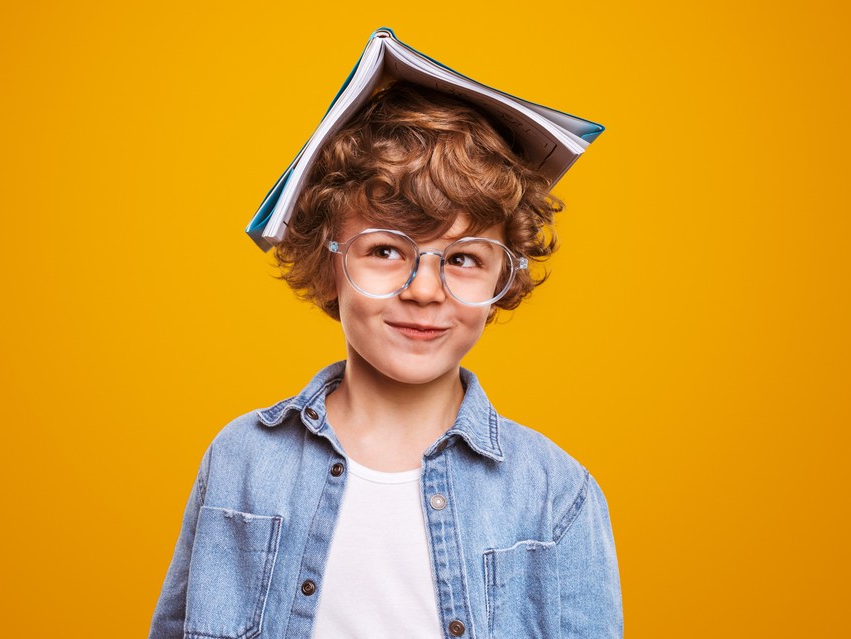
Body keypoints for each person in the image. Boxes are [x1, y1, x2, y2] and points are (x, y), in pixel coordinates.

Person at [149, 82, 622, 639]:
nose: (425, 291)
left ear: (503, 276)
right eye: (386, 250)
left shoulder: (556, 496)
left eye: (465, 258)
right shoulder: (240, 463)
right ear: (328, 259)